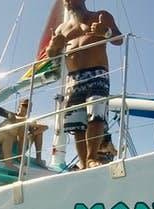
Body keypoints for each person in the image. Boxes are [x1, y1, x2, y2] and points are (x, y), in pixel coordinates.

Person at [46, 0, 122, 170]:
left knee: (96, 114)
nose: (69, 1)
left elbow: (119, 39)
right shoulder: (61, 29)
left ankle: (91, 157)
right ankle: (83, 162)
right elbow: (51, 54)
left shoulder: (100, 15)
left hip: (97, 73)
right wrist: (53, 46)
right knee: (77, 123)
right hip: (73, 78)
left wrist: (107, 32)